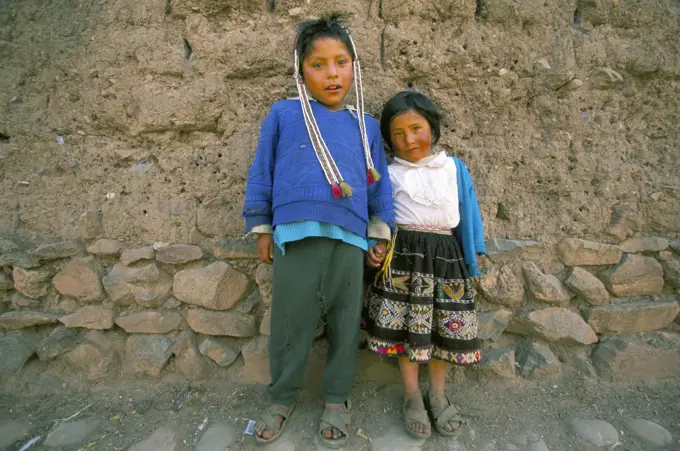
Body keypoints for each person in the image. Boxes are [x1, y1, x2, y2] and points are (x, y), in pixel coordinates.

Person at [242, 13, 394, 448]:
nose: (332, 74)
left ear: (354, 67)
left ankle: (336, 399)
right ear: (299, 70)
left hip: (349, 238)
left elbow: (378, 182)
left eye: (341, 62)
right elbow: (262, 170)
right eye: (319, 64)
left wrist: (379, 232)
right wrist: (262, 227)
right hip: (295, 234)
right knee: (291, 323)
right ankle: (281, 397)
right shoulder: (285, 114)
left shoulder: (364, 125)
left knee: (346, 323)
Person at [363, 91, 486, 439]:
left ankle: (438, 392)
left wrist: (472, 254)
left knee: (441, 331)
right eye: (397, 134)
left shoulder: (453, 168)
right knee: (407, 332)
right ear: (388, 140)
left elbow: (469, 212)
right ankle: (413, 396)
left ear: (432, 127)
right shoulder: (388, 173)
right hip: (403, 260)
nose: (408, 139)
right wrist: (375, 246)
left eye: (416, 128)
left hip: (447, 260)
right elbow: (379, 218)